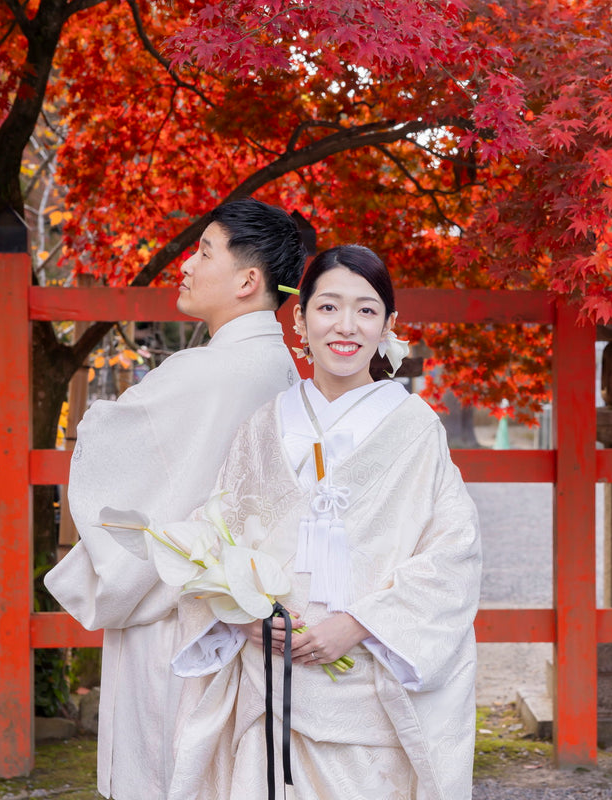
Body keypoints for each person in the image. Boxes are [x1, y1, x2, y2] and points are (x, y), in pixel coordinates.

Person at [165, 245, 482, 800]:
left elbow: (453, 551)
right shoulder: (265, 424)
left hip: (369, 678)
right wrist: (244, 618)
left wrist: (361, 622)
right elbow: (216, 535)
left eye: (366, 310)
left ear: (387, 325)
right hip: (271, 674)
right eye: (328, 307)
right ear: (300, 318)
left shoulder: (414, 427)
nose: (346, 326)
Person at [44, 198, 307, 800]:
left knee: (164, 767)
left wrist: (98, 425)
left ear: (248, 280)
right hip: (241, 611)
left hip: (176, 613)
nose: (187, 265)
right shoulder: (283, 370)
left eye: (204, 251)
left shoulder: (203, 373)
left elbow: (113, 452)